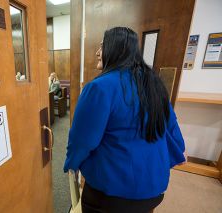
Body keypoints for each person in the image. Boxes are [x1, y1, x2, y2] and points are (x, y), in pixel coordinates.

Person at [63, 27, 186, 213]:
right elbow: (172, 129)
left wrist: (71, 164)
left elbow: (82, 140)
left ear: (117, 49)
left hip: (112, 194)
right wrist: (180, 151)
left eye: (102, 46)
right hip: (154, 190)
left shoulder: (99, 87)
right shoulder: (154, 84)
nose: (97, 52)